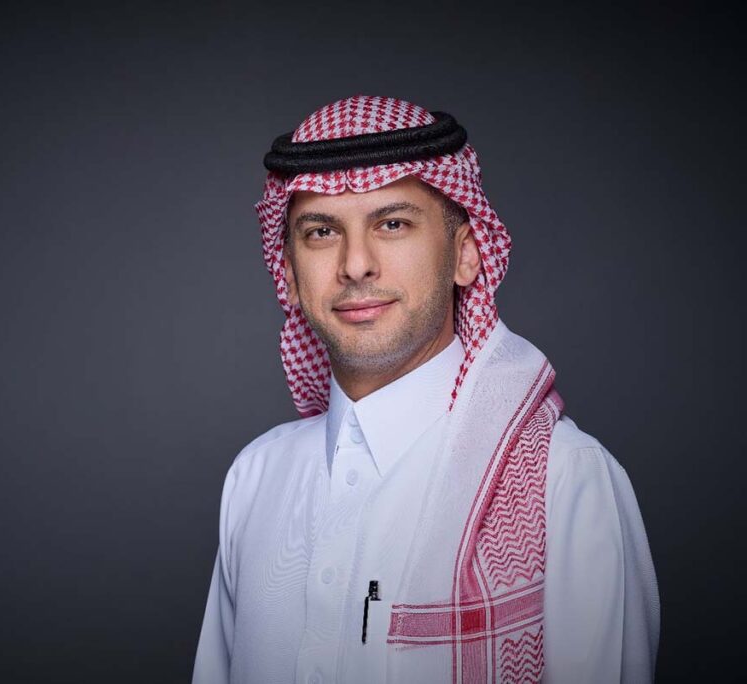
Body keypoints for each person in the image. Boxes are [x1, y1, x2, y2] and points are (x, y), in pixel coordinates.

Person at [191, 96, 660, 683]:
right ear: (287, 270)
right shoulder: (256, 476)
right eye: (321, 232)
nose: (356, 265)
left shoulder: (562, 479)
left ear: (465, 254)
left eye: (392, 224)